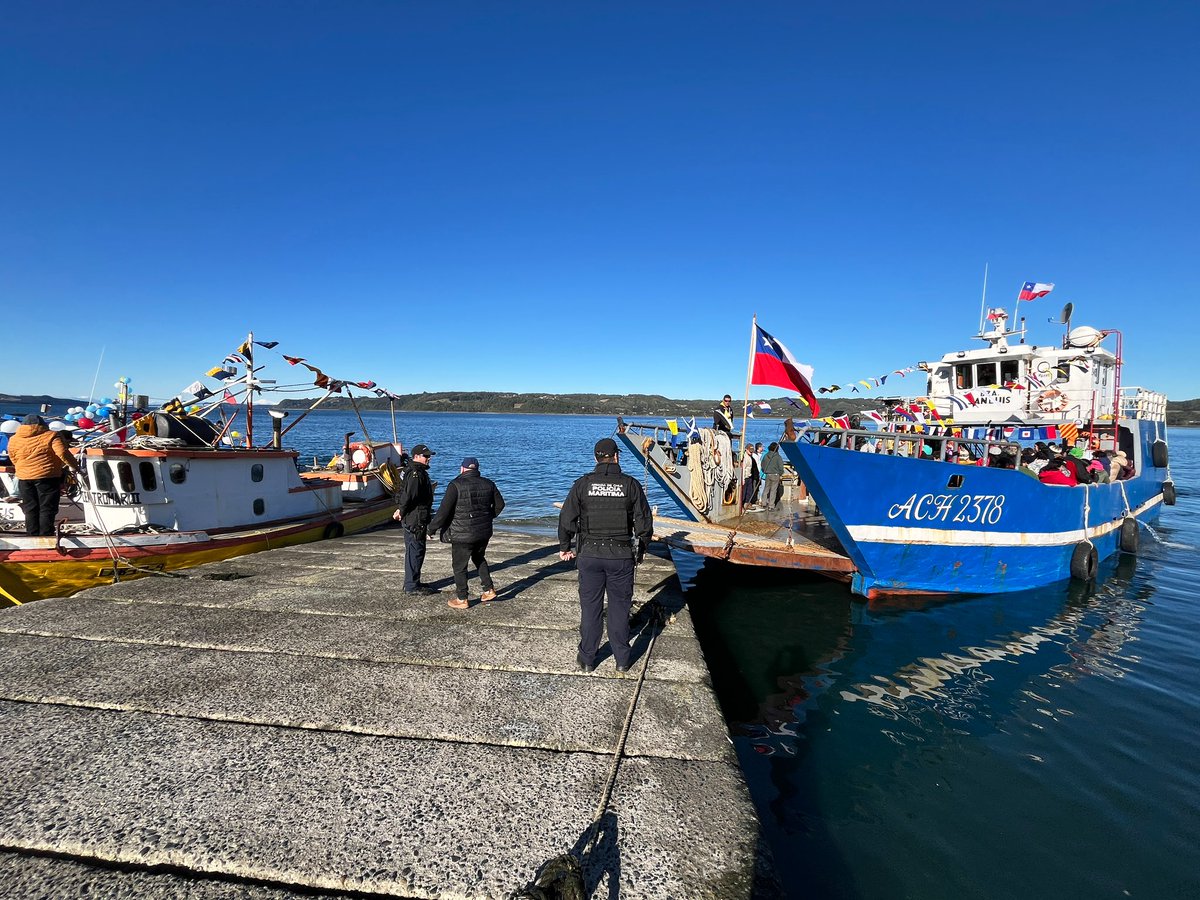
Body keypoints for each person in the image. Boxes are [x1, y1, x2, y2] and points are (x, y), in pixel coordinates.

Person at [558, 437, 652, 674]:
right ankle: (622, 659)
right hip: (620, 555)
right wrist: (642, 548)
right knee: (620, 608)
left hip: (589, 554)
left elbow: (566, 518)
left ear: (595, 458)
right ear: (617, 456)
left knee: (590, 608)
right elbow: (644, 521)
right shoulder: (630, 485)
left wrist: (564, 546)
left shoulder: (582, 484)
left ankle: (588, 658)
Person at [428, 457, 506, 610]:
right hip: (483, 531)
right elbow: (500, 505)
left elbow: (443, 512)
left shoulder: (455, 485)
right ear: (476, 469)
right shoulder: (489, 483)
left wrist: (431, 529)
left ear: (462, 469)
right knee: (479, 558)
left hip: (461, 533)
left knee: (459, 566)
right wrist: (488, 516)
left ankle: (462, 598)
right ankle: (489, 589)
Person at [6, 414, 80, 536]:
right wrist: (75, 466)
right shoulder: (51, 435)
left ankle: (32, 535)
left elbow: (13, 457)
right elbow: (62, 452)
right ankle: (46, 534)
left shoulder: (14, 439)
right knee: (47, 507)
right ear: (42, 424)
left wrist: (22, 467)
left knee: (30, 508)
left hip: (24, 477)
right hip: (47, 476)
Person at [393, 443, 439, 594]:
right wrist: (401, 510)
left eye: (429, 456)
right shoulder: (415, 473)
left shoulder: (416, 471)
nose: (428, 459)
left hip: (416, 516)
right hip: (415, 518)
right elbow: (409, 495)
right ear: (417, 456)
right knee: (415, 550)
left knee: (415, 549)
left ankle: (413, 581)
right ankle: (412, 586)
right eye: (426, 456)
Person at [760, 442, 786, 509]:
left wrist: (765, 471)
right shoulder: (778, 457)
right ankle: (771, 506)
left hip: (768, 474)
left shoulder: (766, 455)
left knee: (766, 489)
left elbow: (762, 465)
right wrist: (780, 473)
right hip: (775, 474)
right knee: (773, 490)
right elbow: (781, 467)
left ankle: (763, 503)